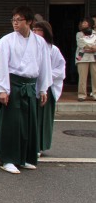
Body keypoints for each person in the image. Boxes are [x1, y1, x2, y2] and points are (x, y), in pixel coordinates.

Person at [0, 6, 50, 174]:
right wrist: (2, 89)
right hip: (13, 84)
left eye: (19, 20)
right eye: (13, 20)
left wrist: (43, 89)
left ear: (29, 22)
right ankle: (8, 158)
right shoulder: (6, 41)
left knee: (29, 123)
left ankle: (26, 157)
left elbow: (44, 66)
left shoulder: (39, 42)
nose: (15, 23)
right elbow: (1, 66)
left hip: (30, 85)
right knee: (12, 124)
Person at [32, 21, 66, 156]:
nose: (35, 32)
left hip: (47, 87)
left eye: (39, 30)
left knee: (43, 118)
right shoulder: (30, 47)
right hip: (32, 86)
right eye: (33, 29)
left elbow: (60, 68)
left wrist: (47, 76)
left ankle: (40, 145)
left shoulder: (53, 49)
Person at [75, 18, 96, 102]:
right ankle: (82, 95)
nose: (83, 24)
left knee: (95, 77)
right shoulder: (79, 34)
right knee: (82, 78)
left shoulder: (95, 33)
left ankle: (95, 94)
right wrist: (92, 48)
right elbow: (81, 44)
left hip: (94, 58)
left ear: (90, 24)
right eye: (82, 22)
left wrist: (92, 47)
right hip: (82, 58)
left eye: (85, 22)